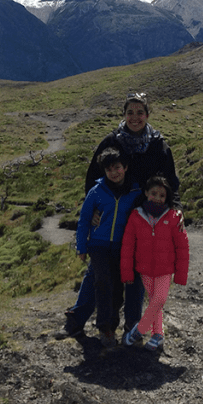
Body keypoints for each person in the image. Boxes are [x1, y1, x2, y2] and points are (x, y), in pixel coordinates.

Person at [57, 93, 180, 339]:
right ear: (124, 115)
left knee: (135, 272)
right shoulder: (112, 141)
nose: (135, 118)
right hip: (111, 217)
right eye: (130, 112)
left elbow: (171, 183)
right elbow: (93, 178)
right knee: (98, 272)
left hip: (145, 220)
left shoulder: (159, 145)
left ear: (147, 114)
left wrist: (175, 212)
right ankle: (77, 319)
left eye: (140, 112)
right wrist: (92, 209)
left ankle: (132, 328)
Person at [71, 148, 143, 346]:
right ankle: (105, 328)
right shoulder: (96, 191)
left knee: (117, 288)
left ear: (125, 167)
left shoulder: (135, 192)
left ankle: (113, 324)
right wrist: (81, 246)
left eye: (117, 168)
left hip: (122, 247)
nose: (114, 173)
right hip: (98, 246)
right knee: (102, 282)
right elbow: (84, 220)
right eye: (109, 169)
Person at [120, 176, 190, 352]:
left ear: (167, 198)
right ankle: (158, 335)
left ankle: (139, 330)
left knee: (159, 299)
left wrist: (181, 274)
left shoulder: (174, 217)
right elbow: (128, 246)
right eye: (153, 193)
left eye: (162, 195)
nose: (157, 198)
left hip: (165, 269)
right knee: (154, 302)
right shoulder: (136, 216)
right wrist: (127, 273)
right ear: (146, 193)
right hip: (144, 269)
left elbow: (182, 248)